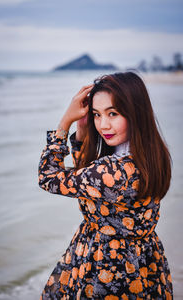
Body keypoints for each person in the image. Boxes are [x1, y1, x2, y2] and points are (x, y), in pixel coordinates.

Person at [38, 72, 173, 299]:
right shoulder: (150, 155)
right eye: (96, 115)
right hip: (141, 261)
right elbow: (91, 183)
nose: (103, 125)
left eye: (113, 113)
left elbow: (48, 178)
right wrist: (81, 131)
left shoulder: (113, 171)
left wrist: (65, 122)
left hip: (106, 265)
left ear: (135, 113)